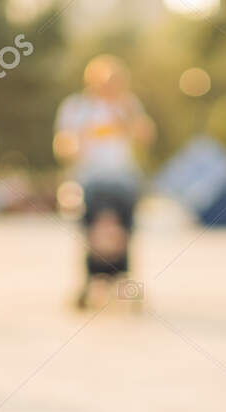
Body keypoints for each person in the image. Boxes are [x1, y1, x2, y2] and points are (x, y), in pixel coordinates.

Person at [53, 55, 154, 309]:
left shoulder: (128, 105)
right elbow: (63, 146)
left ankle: (124, 278)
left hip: (122, 178)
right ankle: (90, 280)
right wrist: (77, 141)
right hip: (90, 178)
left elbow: (146, 135)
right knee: (93, 228)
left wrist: (127, 116)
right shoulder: (76, 107)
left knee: (124, 228)